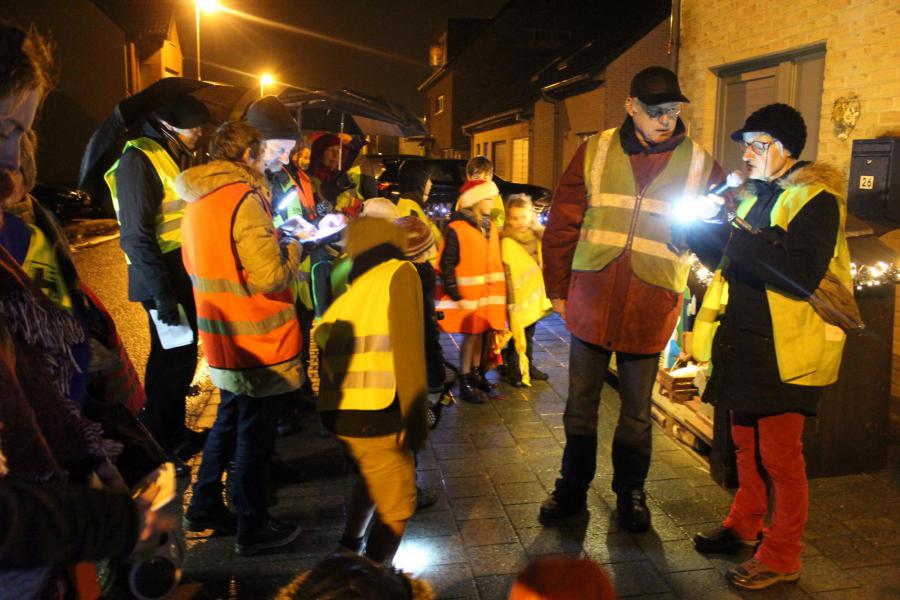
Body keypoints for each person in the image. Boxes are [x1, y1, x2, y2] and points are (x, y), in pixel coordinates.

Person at [539, 66, 723, 531]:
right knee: (580, 409)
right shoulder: (595, 150)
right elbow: (563, 224)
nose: (665, 120)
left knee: (637, 415)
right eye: (655, 110)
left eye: (673, 111)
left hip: (650, 303)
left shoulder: (701, 164)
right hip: (593, 301)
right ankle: (572, 488)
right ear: (631, 107)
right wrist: (557, 289)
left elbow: (718, 237)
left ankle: (631, 493)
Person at [687, 104, 851, 590]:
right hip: (745, 341)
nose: (747, 152)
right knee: (743, 445)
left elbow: (797, 274)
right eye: (746, 143)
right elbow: (733, 259)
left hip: (786, 349)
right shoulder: (755, 196)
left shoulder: (816, 200)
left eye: (758, 143)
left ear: (786, 149)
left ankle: (782, 556)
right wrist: (701, 234)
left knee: (781, 457)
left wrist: (734, 241)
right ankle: (744, 523)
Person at [177, 121, 304, 556]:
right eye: (266, 152)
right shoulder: (244, 199)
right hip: (255, 336)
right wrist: (294, 246)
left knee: (229, 419)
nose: (273, 161)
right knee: (254, 431)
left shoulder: (198, 201)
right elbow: (269, 276)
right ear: (248, 155)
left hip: (221, 334)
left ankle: (205, 503)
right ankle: (252, 525)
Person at [104, 92, 212, 474]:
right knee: (168, 363)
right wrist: (163, 293)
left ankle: (176, 431)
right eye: (193, 126)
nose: (200, 132)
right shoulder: (138, 160)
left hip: (178, 274)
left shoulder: (168, 154)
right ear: (169, 124)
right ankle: (160, 444)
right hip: (158, 278)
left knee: (181, 358)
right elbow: (136, 236)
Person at [316, 216, 428, 564]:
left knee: (371, 477)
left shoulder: (355, 285)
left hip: (344, 413)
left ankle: (350, 545)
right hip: (379, 411)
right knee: (398, 505)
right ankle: (372, 579)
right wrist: (416, 421)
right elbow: (408, 351)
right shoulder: (400, 273)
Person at [436, 178, 507, 404]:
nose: (492, 202)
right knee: (470, 338)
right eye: (488, 198)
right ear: (476, 200)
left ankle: (476, 374)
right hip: (468, 296)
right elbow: (447, 265)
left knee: (480, 336)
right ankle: (465, 378)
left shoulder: (487, 226)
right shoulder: (457, 229)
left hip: (485, 297)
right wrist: (457, 296)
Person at [501, 194, 551, 387]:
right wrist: (511, 302)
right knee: (517, 333)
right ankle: (515, 369)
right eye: (514, 218)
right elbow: (508, 271)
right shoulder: (507, 242)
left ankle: (527, 365)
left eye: (523, 217)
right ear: (508, 219)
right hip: (515, 296)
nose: (519, 222)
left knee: (529, 333)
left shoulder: (536, 235)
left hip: (533, 295)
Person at [395, 160, 443, 248]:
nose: (431, 184)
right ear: (419, 181)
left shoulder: (412, 206)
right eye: (428, 179)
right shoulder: (410, 210)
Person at [455, 155, 505, 227]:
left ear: (491, 177)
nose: (481, 181)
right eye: (476, 177)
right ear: (469, 177)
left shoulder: (495, 199)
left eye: (485, 178)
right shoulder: (464, 199)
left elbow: (499, 223)